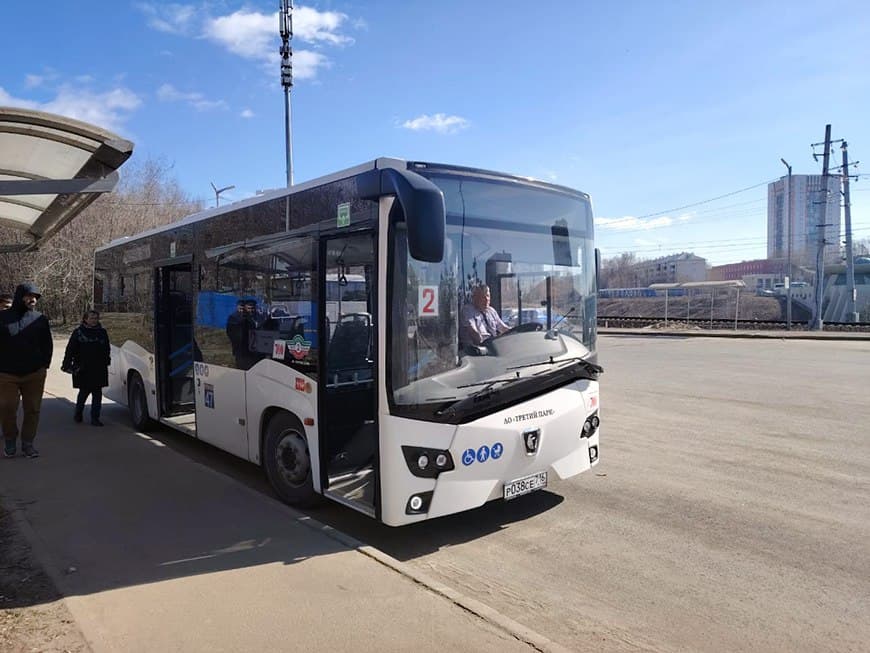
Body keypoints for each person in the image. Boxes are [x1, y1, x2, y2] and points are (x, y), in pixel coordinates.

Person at [0, 283, 53, 458]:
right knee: (7, 407)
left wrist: (44, 365)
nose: (33, 299)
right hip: (6, 373)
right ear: (20, 296)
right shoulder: (3, 317)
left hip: (34, 373)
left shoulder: (40, 319)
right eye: (29, 295)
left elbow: (47, 344)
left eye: (36, 297)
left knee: (33, 409)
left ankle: (28, 443)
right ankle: (9, 439)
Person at [61, 310, 110, 426]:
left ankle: (95, 418)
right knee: (83, 392)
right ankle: (78, 413)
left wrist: (107, 360)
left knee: (97, 394)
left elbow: (107, 348)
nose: (94, 320)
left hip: (98, 367)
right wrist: (67, 364)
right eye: (91, 318)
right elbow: (70, 350)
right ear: (85, 319)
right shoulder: (78, 333)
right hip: (83, 368)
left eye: (96, 318)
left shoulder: (102, 332)